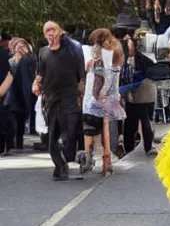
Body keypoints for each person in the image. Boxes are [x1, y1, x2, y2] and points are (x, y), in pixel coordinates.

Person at [32, 21, 86, 181]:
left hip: (69, 97)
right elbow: (39, 74)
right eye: (47, 30)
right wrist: (35, 84)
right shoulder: (43, 52)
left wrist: (81, 92)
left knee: (68, 133)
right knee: (52, 138)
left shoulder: (72, 50)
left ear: (60, 32)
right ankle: (61, 167)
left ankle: (70, 158)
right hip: (50, 100)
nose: (50, 33)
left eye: (53, 30)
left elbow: (81, 75)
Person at [78, 29, 127, 177]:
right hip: (111, 96)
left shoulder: (100, 53)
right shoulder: (117, 50)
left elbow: (96, 77)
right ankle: (107, 163)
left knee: (89, 126)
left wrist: (91, 65)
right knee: (105, 127)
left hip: (94, 97)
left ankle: (87, 157)